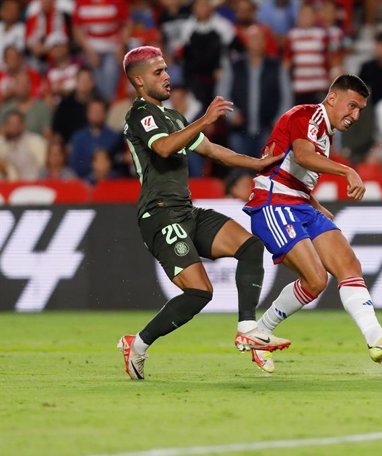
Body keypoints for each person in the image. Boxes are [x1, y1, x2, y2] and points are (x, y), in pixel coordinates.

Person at [116, 46, 289, 380]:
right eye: (158, 72)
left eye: (166, 69)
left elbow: (212, 151)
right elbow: (164, 147)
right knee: (200, 292)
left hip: (186, 210)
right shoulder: (139, 114)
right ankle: (136, 345)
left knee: (251, 247)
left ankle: (248, 328)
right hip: (159, 215)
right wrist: (205, 119)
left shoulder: (175, 117)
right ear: (138, 81)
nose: (167, 77)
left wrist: (257, 163)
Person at [243, 74, 382, 371]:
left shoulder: (324, 132)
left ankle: (377, 338)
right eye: (351, 106)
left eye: (360, 110)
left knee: (348, 265)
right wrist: (347, 171)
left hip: (300, 204)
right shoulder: (305, 115)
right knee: (315, 278)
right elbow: (301, 157)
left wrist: (315, 204)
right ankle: (259, 332)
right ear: (332, 98)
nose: (354, 115)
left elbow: (289, 168)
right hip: (273, 204)